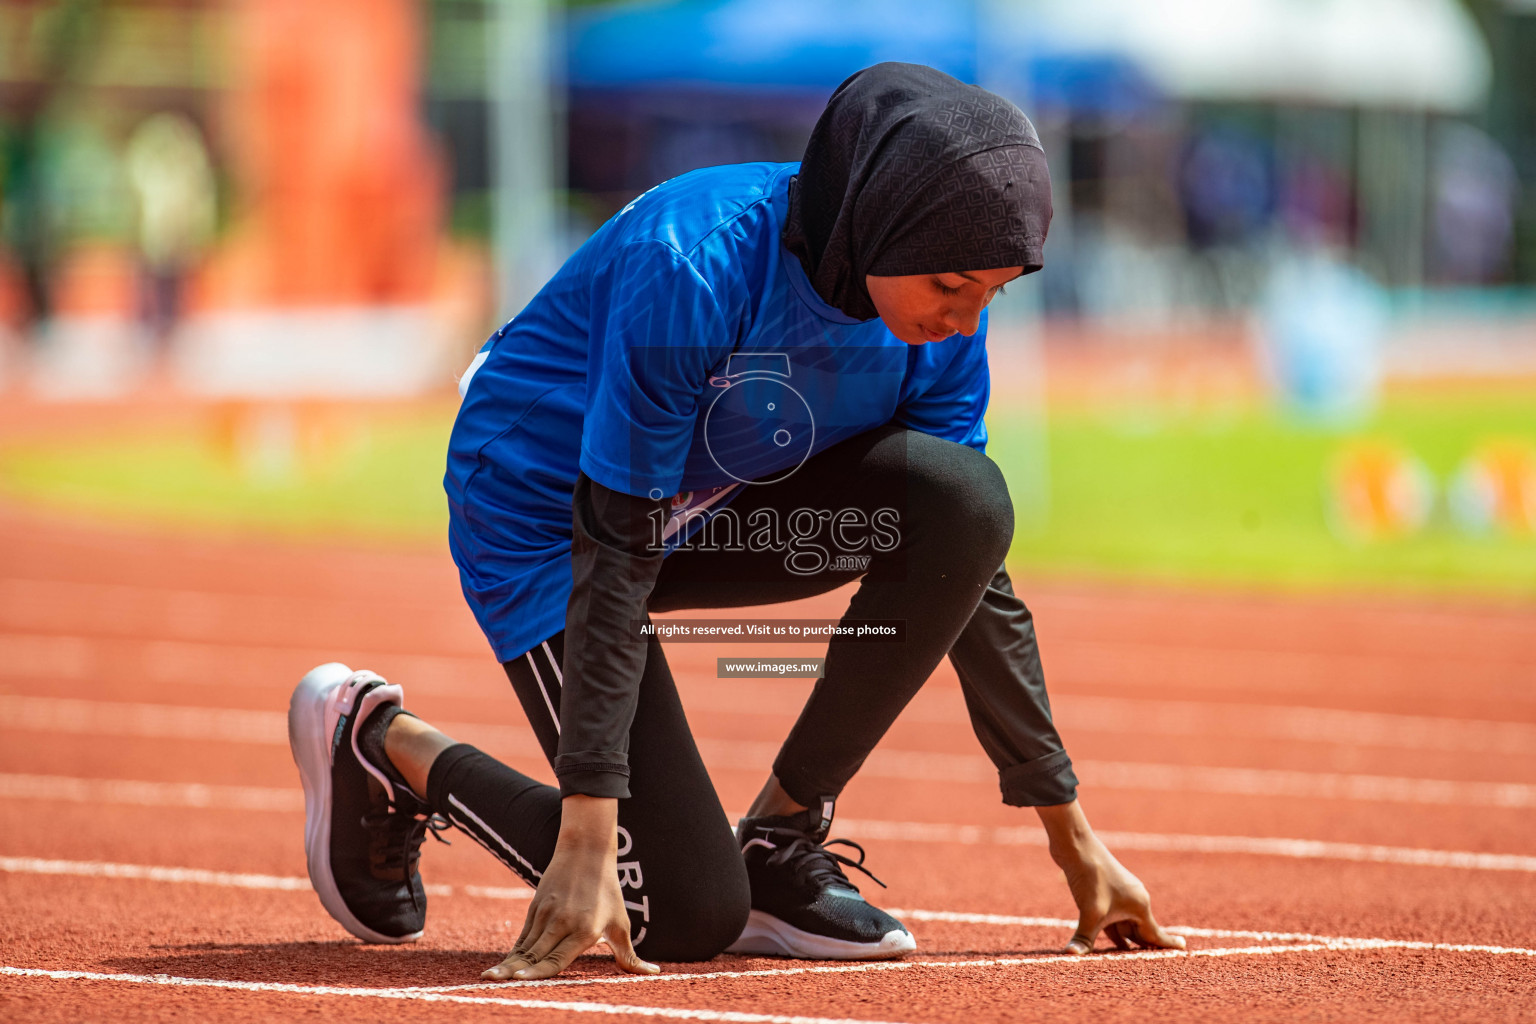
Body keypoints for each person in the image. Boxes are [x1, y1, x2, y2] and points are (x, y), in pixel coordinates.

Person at [286, 62, 1183, 983]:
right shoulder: (695, 263)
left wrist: (1071, 837)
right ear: (876, 218)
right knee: (681, 914)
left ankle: (781, 835)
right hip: (552, 514)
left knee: (965, 498)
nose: (964, 321)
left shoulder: (943, 329)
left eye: (992, 294)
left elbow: (968, 564)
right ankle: (378, 740)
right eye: (953, 284)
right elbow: (617, 535)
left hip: (711, 498)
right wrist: (589, 831)